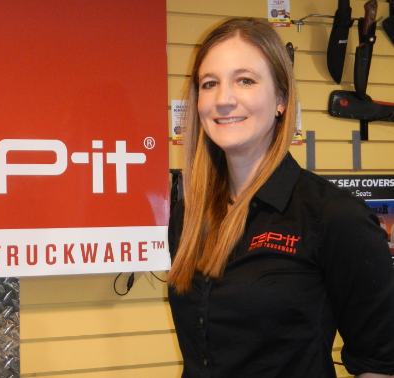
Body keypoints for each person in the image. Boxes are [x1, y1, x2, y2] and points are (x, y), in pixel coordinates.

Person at [167, 17, 394, 378]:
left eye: (245, 80)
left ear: (281, 99)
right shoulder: (188, 216)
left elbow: (379, 365)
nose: (224, 99)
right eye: (209, 84)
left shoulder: (335, 217)